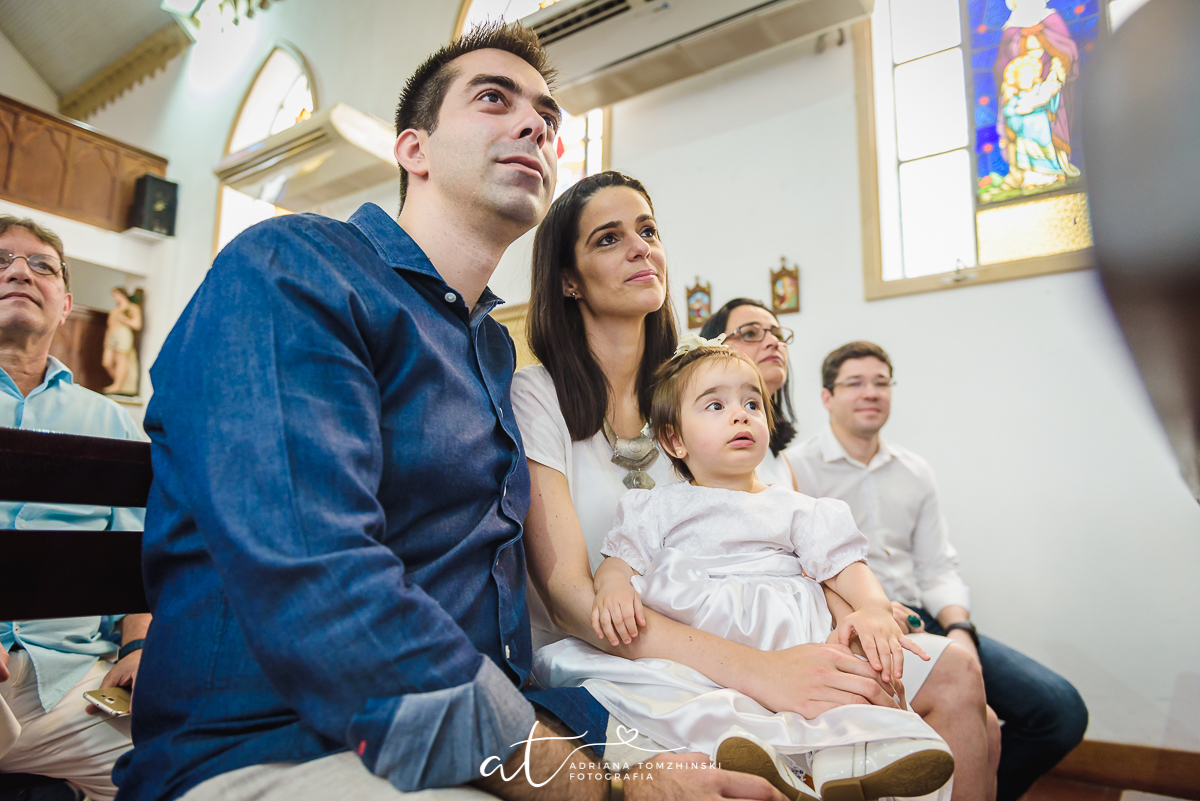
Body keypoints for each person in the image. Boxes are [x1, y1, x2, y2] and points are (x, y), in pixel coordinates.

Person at [113, 24, 784, 801]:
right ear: (413, 150)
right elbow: (318, 578)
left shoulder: (490, 351)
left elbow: (500, 651)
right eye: (493, 99)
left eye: (547, 116)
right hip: (277, 748)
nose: (535, 123)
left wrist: (633, 756)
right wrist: (595, 784)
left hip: (474, 744)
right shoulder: (294, 267)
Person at [513, 171, 996, 800]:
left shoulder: (699, 390)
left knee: (962, 683)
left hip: (761, 626)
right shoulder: (539, 394)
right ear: (567, 279)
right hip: (633, 656)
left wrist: (856, 621)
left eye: (649, 230)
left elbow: (784, 531)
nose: (640, 247)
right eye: (608, 238)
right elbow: (571, 598)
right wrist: (764, 672)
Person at [546, 339, 955, 801]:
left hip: (787, 636)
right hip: (708, 644)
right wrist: (614, 585)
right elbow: (620, 562)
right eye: (716, 405)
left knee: (838, 693)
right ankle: (769, 766)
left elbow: (844, 567)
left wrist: (874, 607)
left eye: (752, 404)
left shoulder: (800, 509)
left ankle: (854, 764)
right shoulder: (654, 506)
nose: (740, 415)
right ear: (673, 439)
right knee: (712, 706)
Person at [788, 340, 1088, 801]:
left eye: (881, 383)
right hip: (859, 626)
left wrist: (960, 628)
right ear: (827, 397)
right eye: (855, 383)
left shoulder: (914, 470)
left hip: (926, 620)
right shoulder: (796, 469)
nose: (870, 392)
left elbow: (936, 565)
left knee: (1060, 712)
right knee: (980, 721)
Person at [0, 215, 150, 800]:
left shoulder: (114, 424)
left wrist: (138, 645)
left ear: (65, 304)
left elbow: (143, 556)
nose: (19, 271)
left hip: (67, 685)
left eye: (41, 265)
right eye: (3, 261)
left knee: (193, 765)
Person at [700, 299, 799, 489]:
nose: (773, 342)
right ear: (714, 347)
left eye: (777, 334)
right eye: (750, 333)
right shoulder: (697, 447)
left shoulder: (780, 458)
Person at [101, 287, 142, 396]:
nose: (114, 297)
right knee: (107, 362)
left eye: (115, 294)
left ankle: (118, 386)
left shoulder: (132, 307)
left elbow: (137, 325)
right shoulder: (115, 309)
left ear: (122, 294)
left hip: (123, 334)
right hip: (112, 335)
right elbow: (110, 325)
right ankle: (121, 383)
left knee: (121, 360)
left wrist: (124, 319)